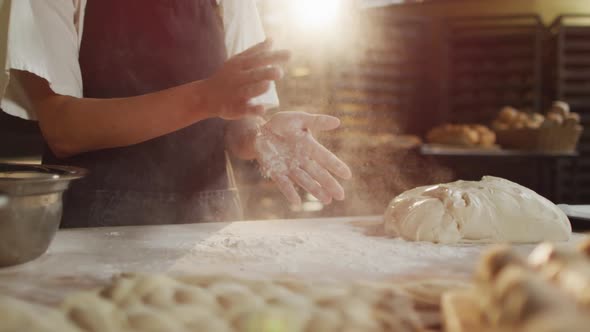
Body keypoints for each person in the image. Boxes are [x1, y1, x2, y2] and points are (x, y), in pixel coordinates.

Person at [0, 0, 352, 227]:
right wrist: (205, 97)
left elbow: (237, 115)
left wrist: (259, 137)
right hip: (95, 229)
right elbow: (64, 128)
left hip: (209, 226)